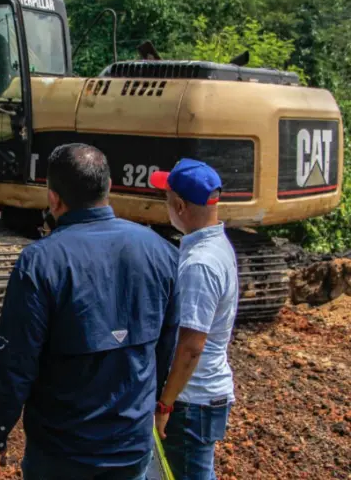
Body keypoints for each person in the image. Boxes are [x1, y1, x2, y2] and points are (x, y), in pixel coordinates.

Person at [0, 143, 180, 480]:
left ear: (54, 199)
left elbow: (15, 363)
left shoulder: (40, 262)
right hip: (130, 446)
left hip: (62, 453)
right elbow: (168, 345)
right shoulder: (159, 251)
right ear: (108, 187)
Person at [149, 159, 238, 480]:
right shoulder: (217, 246)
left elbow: (191, 346)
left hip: (191, 401)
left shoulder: (199, 264)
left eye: (167, 199)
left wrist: (165, 406)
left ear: (180, 206)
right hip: (204, 396)